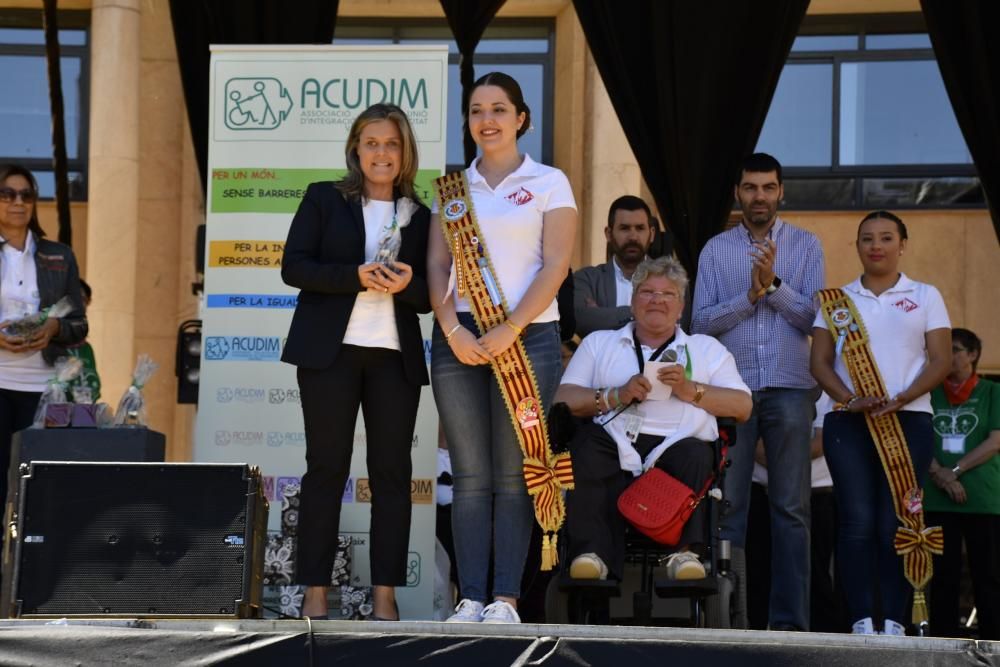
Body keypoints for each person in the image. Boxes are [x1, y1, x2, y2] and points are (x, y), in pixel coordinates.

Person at [427, 71, 577, 624]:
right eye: (475, 111)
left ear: (521, 118)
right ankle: (470, 597)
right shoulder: (452, 190)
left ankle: (507, 599)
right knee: (468, 474)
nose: (486, 120)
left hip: (529, 335)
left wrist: (509, 328)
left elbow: (556, 264)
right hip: (459, 339)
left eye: (497, 109)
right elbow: (438, 267)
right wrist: (453, 331)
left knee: (516, 473)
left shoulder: (549, 182)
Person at [281, 103, 430, 622]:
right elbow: (293, 267)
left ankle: (385, 597)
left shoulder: (422, 213)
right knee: (326, 470)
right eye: (372, 143)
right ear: (356, 149)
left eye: (391, 144)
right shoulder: (325, 197)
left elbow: (432, 295)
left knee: (392, 475)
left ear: (404, 152)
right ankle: (316, 593)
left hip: (394, 358)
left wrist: (408, 285)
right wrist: (356, 276)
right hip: (329, 354)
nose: (381, 153)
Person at [556, 256, 751, 582]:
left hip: (677, 449)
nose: (657, 300)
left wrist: (691, 391)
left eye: (668, 294)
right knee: (587, 444)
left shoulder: (706, 349)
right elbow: (562, 400)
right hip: (615, 445)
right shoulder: (599, 343)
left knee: (697, 452)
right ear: (632, 301)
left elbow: (742, 406)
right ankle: (591, 554)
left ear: (681, 306)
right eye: (647, 292)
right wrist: (614, 395)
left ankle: (686, 554)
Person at [692, 152, 824, 631]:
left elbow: (815, 320)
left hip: (791, 389)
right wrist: (749, 297)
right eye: (751, 187)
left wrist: (775, 286)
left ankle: (790, 625)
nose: (760, 196)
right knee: (729, 508)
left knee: (793, 510)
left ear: (781, 191)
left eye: (768, 187)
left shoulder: (808, 246)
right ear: (738, 193)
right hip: (733, 391)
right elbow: (700, 324)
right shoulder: (715, 250)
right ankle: (728, 622)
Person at [810, 210, 951, 636]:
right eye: (867, 238)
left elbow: (941, 359)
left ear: (902, 244)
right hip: (849, 423)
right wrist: (850, 399)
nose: (876, 245)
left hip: (909, 420)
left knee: (896, 522)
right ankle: (859, 620)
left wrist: (904, 396)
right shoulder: (836, 301)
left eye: (886, 237)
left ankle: (892, 617)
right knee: (855, 522)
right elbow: (819, 363)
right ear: (856, 246)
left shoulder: (925, 295)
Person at [0, 164, 87, 509]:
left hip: (43, 385)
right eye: (7, 194)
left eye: (26, 194)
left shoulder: (59, 256)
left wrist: (53, 328)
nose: (17, 202)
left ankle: (31, 561)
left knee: (40, 486)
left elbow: (79, 324)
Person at [746, 394, 846, 633]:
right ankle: (754, 629)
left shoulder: (822, 383)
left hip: (817, 491)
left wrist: (783, 460)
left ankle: (817, 640)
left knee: (815, 573)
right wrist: (781, 459)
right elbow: (749, 438)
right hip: (759, 486)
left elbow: (822, 441)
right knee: (757, 569)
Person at [924, 328, 1000, 640]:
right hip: (937, 497)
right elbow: (916, 436)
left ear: (972, 355)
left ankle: (994, 637)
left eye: (955, 349)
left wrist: (954, 470)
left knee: (989, 573)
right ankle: (943, 636)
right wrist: (939, 473)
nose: (949, 355)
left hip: (983, 496)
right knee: (943, 573)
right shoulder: (929, 391)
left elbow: (995, 441)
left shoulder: (993, 392)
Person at [573, 195, 655, 337]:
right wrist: (645, 312)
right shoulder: (587, 279)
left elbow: (677, 324)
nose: (633, 236)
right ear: (609, 234)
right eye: (624, 228)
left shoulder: (672, 279)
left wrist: (603, 315)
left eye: (640, 228)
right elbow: (580, 320)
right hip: (602, 360)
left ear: (652, 234)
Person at [66, 279, 101, 402]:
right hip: (54, 413)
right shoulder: (48, 344)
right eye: (72, 299)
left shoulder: (86, 349)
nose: (78, 305)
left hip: (82, 414)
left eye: (82, 299)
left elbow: (93, 384)